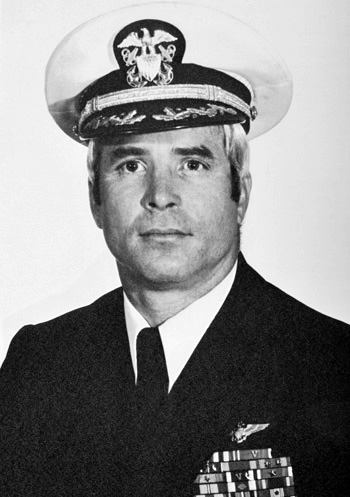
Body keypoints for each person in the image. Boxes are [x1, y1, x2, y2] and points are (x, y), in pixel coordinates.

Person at [1, 4, 349, 497]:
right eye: (130, 166)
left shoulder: (331, 365)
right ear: (95, 198)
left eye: (192, 164)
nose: (160, 194)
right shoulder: (40, 365)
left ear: (241, 191)